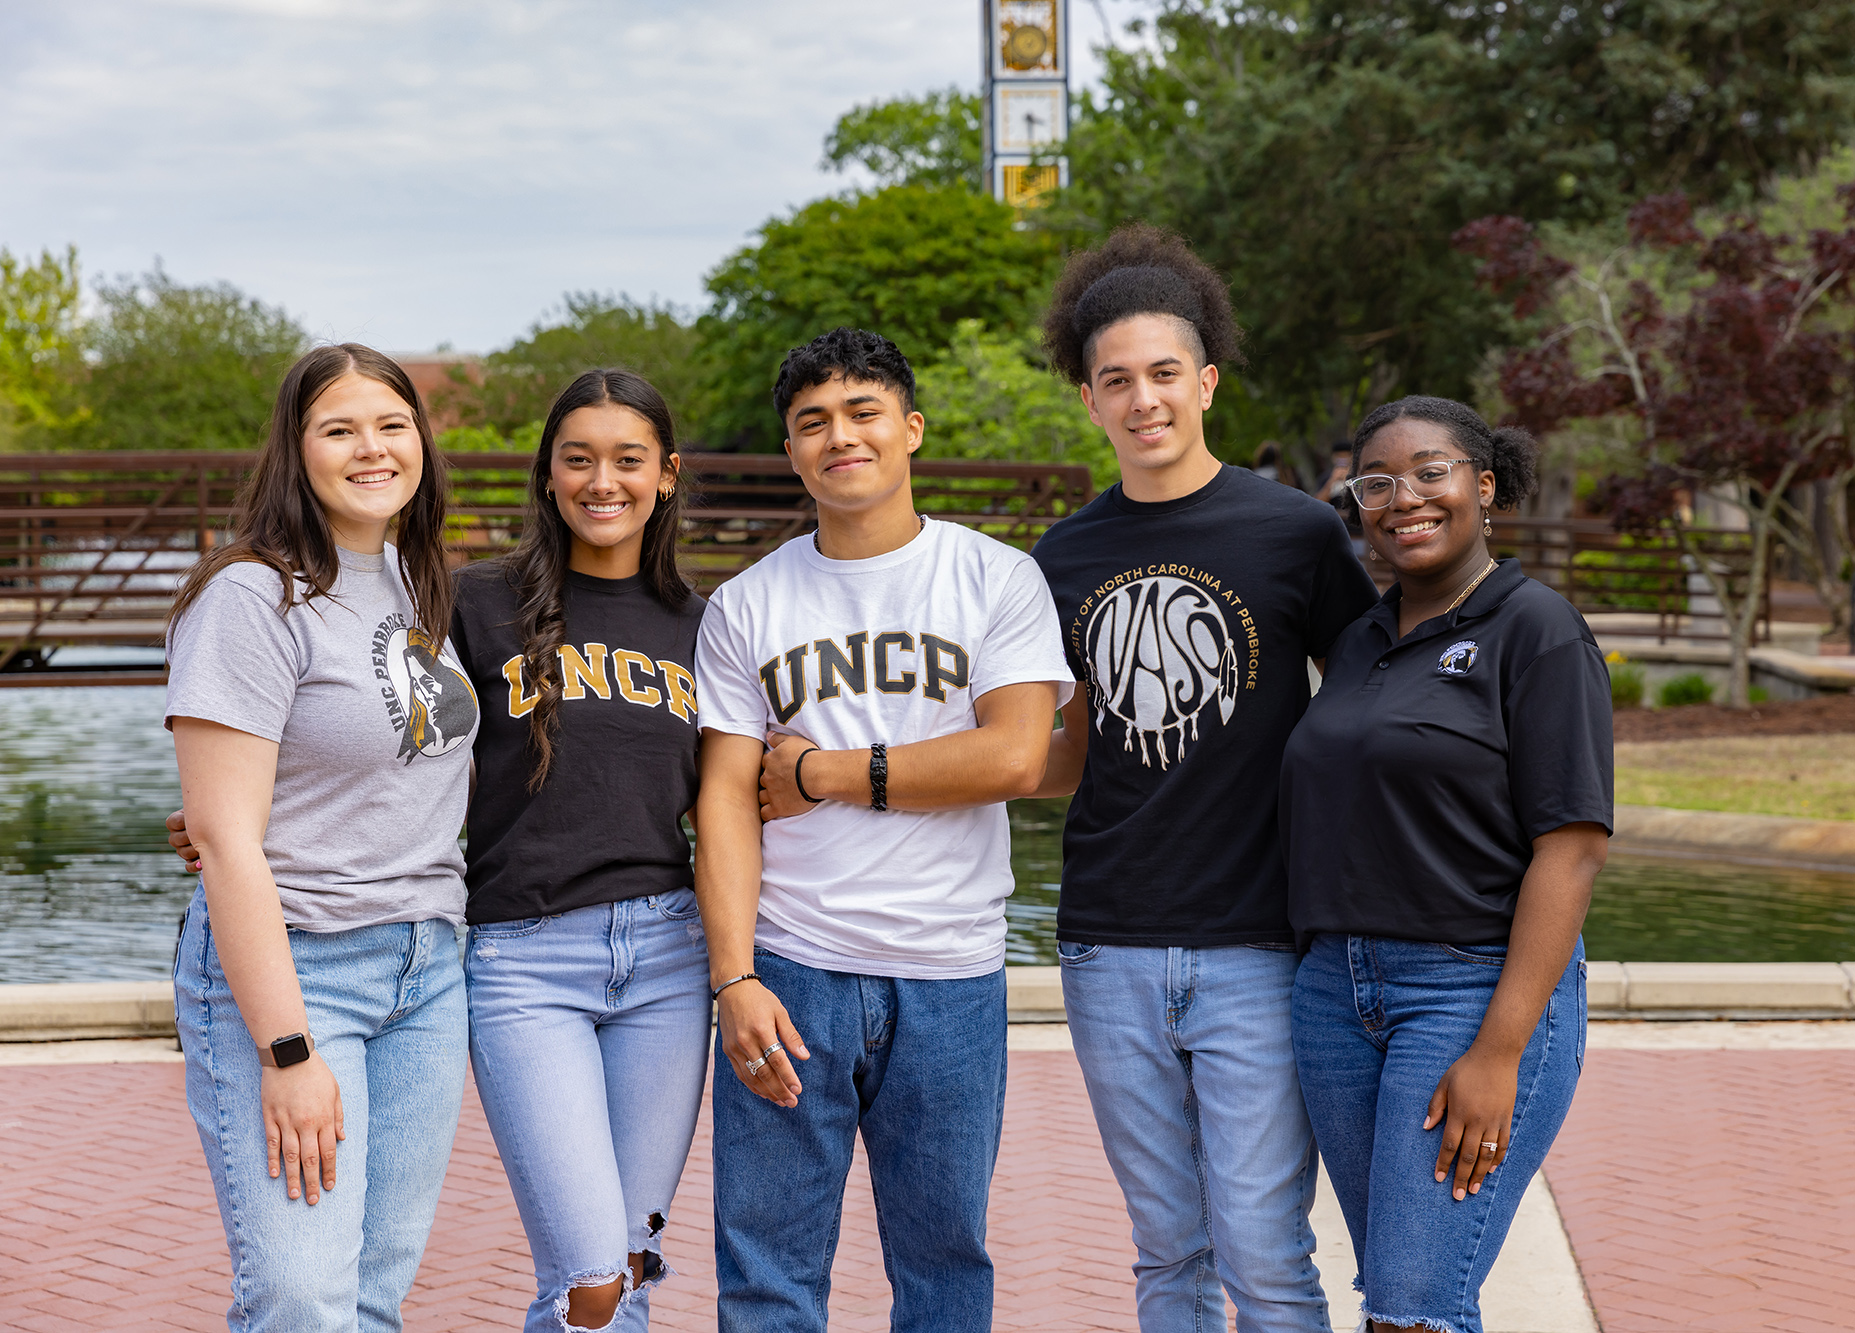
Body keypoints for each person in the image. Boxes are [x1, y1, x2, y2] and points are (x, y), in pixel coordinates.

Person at [1029, 225, 1379, 1331]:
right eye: (1117, 380)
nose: (1145, 400)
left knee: (1266, 1254)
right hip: (1106, 939)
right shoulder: (1059, 558)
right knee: (1164, 1253)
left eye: (1164, 374)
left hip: (1262, 946)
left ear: (1207, 380)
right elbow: (1059, 745)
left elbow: (1377, 710)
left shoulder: (1297, 535)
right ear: (1089, 400)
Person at [691, 326, 1073, 1333]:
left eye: (862, 412)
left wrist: (825, 773)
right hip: (793, 967)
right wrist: (734, 979)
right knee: (766, 1268)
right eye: (811, 422)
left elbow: (1014, 757)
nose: (839, 437)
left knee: (945, 1263)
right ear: (790, 452)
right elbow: (726, 799)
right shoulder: (745, 604)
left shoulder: (995, 577)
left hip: (949, 972)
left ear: (909, 427)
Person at [1280, 396, 1611, 1333]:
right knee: (1392, 1285)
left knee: (1416, 1306)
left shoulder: (1536, 628)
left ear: (1484, 485)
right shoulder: (1357, 642)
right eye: (1376, 482)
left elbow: (1573, 847)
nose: (1404, 498)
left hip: (1466, 992)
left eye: (1432, 472)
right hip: (1334, 999)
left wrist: (1498, 1047)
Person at [166, 344, 478, 1333]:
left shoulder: (414, 579)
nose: (371, 448)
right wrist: (288, 1050)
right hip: (301, 968)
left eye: (391, 425)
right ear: (295, 451)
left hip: (428, 966)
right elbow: (225, 838)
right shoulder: (252, 597)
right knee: (299, 1295)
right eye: (338, 429)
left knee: (374, 1292)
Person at [448, 369, 709, 1331]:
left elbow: (733, 805)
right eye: (579, 458)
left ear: (667, 475)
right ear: (549, 476)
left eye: (629, 459)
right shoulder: (472, 603)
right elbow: (377, 737)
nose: (605, 480)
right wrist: (244, 813)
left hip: (670, 966)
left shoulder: (703, 623)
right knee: (589, 1277)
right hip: (522, 961)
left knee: (625, 1272)